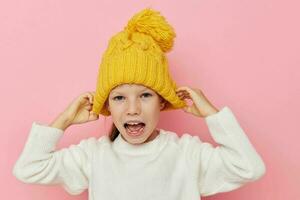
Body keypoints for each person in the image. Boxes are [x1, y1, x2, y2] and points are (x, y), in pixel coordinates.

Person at [12, 7, 266, 199]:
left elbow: (249, 168)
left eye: (145, 95)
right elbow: (29, 169)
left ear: (163, 103)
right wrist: (64, 120)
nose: (132, 108)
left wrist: (213, 114)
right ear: (108, 107)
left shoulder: (187, 153)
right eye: (119, 97)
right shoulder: (94, 155)